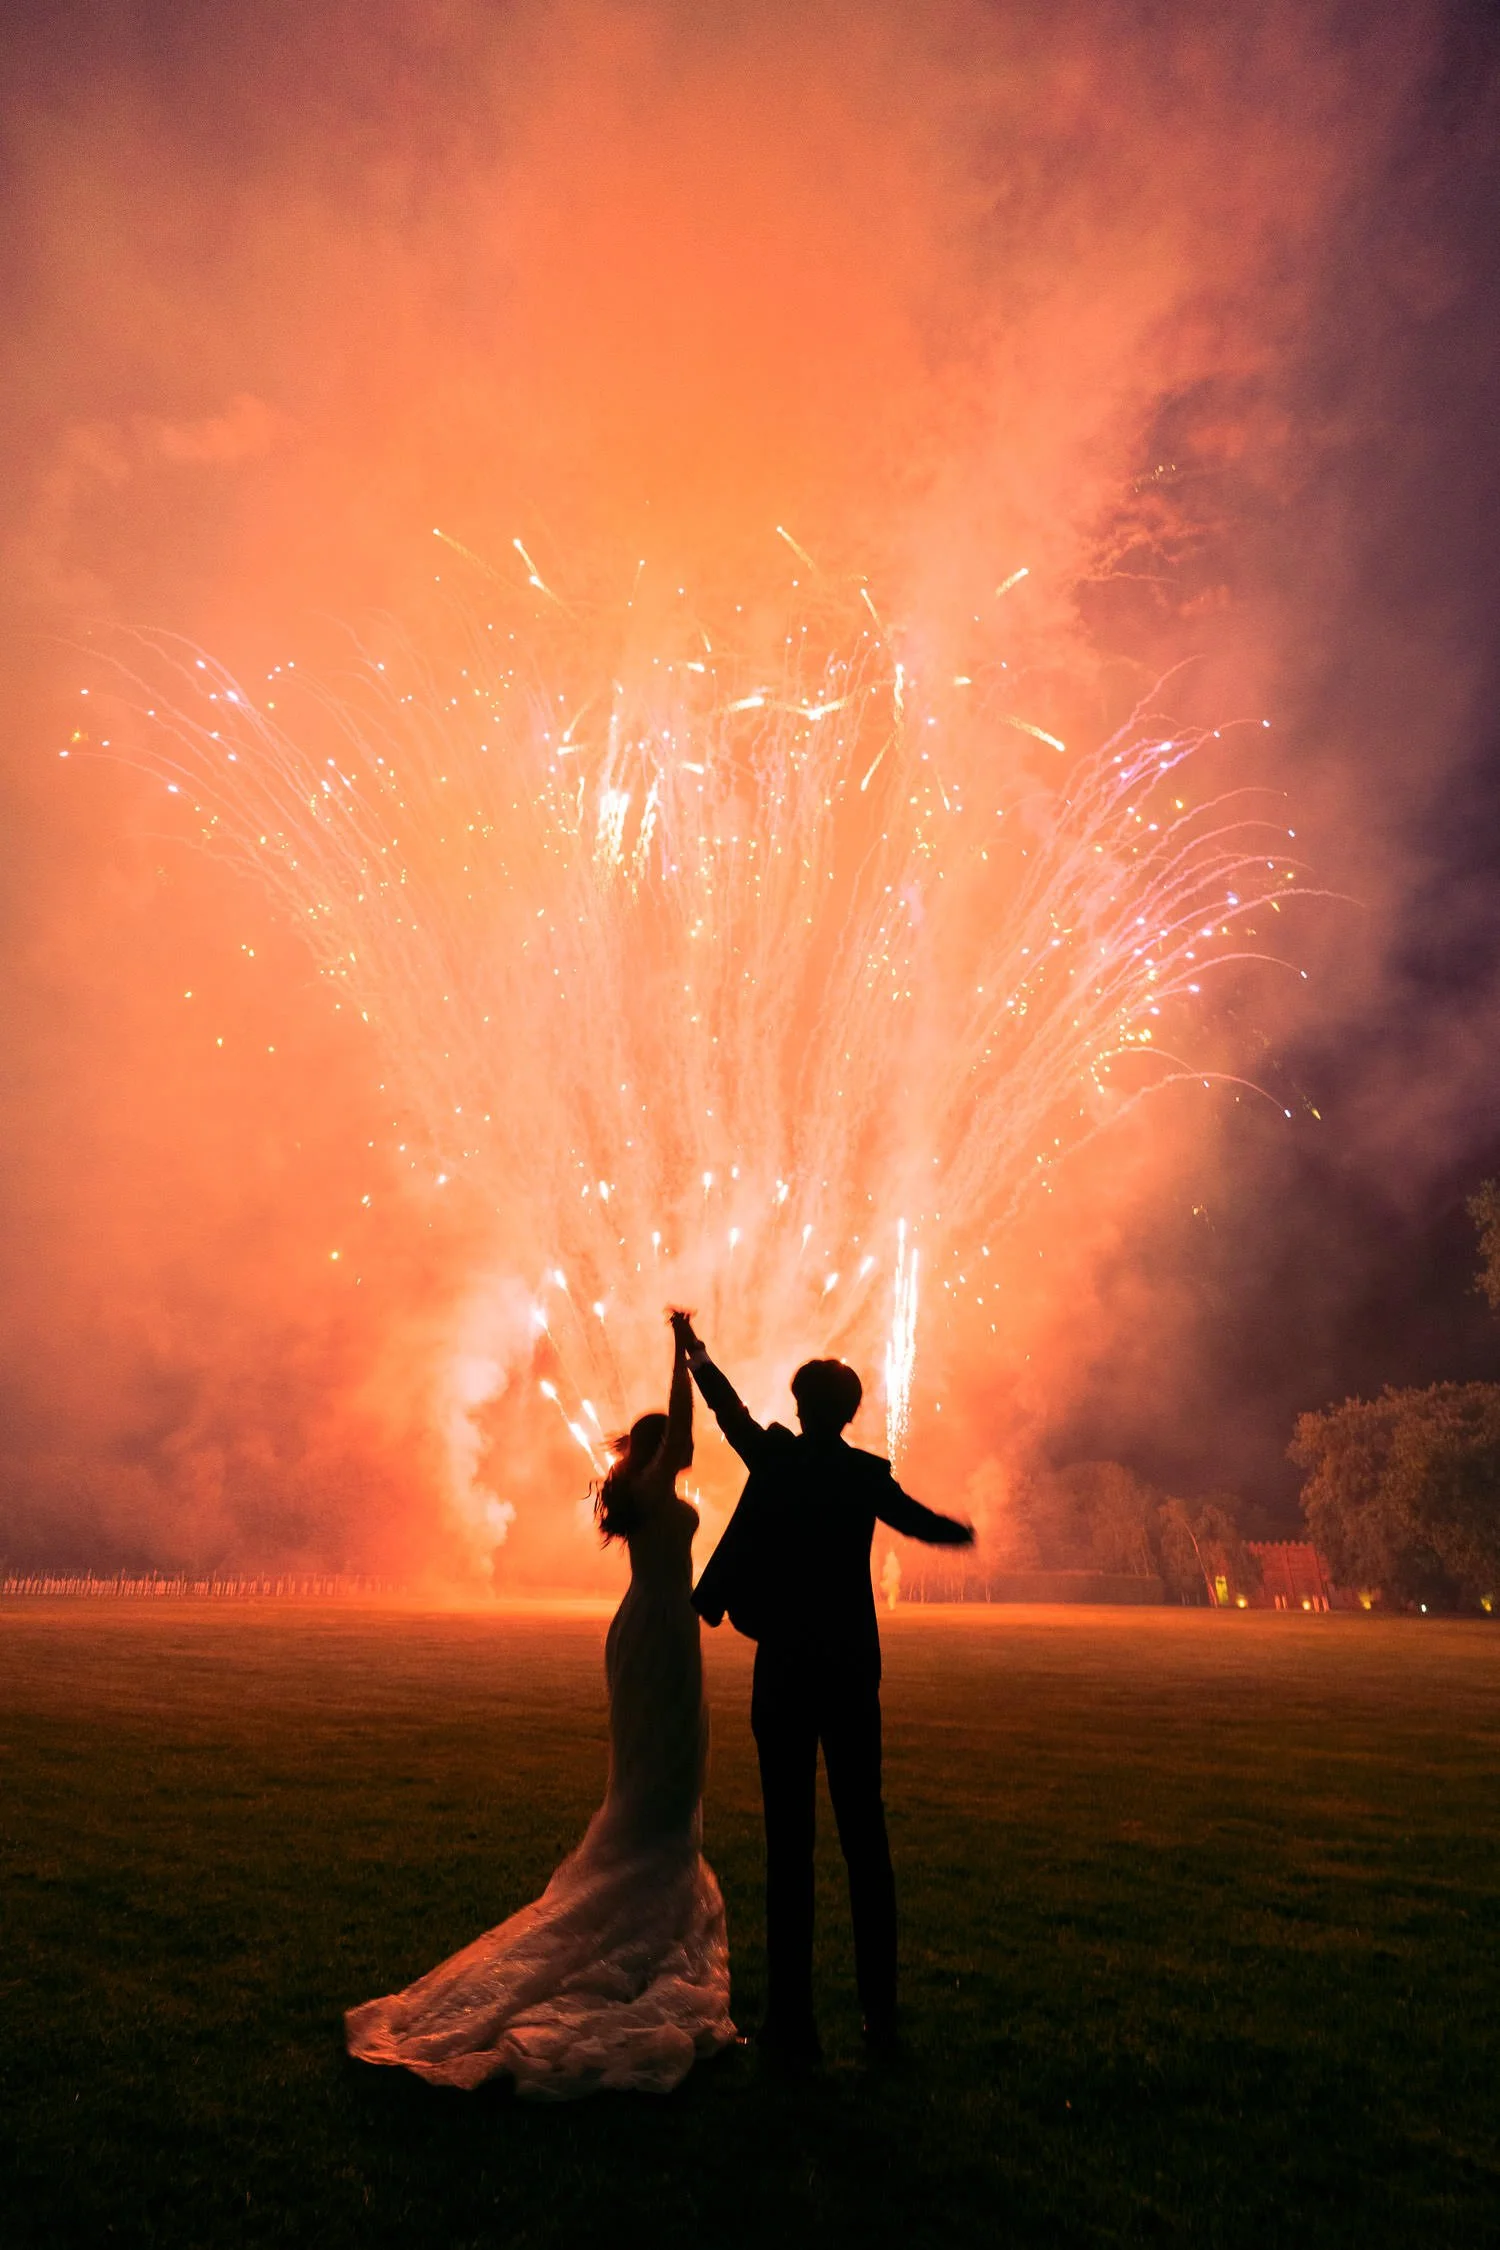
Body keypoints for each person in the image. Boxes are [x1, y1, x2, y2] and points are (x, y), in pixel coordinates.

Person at [345, 1315, 735, 2100]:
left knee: (658, 1775)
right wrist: (683, 1356)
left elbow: (680, 1447)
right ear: (664, 1452)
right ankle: (643, 1906)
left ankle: (651, 1897)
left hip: (651, 1631)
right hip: (659, 1636)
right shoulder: (659, 1487)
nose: (688, 1454)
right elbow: (684, 1431)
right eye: (675, 1446)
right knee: (660, 1779)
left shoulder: (649, 1494)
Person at [681, 1318, 974, 2064]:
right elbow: (920, 1524)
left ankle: (792, 2025)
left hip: (783, 1665)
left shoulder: (775, 1458)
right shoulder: (865, 1475)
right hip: (849, 1668)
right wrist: (960, 1532)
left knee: (791, 1848)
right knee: (865, 1843)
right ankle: (881, 2021)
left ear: (800, 1403)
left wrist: (698, 1352)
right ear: (851, 1411)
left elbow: (728, 1412)